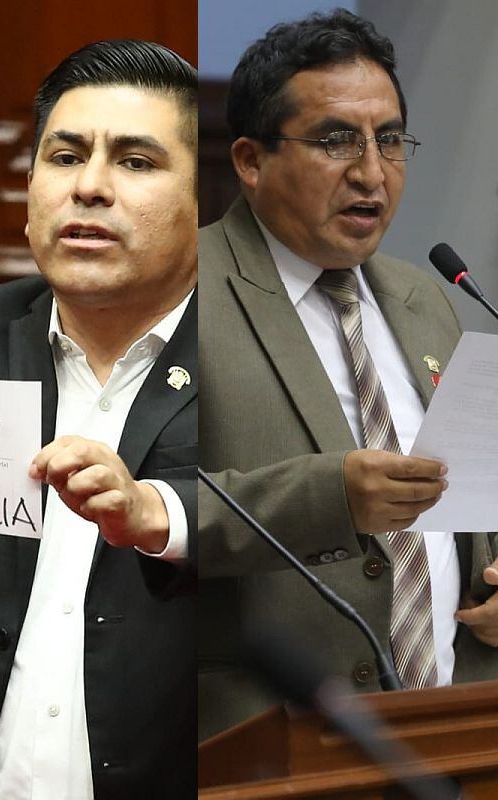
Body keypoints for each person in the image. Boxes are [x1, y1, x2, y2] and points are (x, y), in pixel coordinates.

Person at [0, 39, 198, 798]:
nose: (89, 187)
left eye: (135, 161)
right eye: (64, 156)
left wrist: (159, 513)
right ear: (29, 189)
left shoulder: (252, 361)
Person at [198, 9, 498, 739]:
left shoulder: (427, 296)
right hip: (274, 742)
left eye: (389, 140)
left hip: (453, 728)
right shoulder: (180, 290)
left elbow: (468, 508)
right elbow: (131, 511)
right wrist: (329, 498)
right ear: (250, 160)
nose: (372, 172)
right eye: (337, 140)